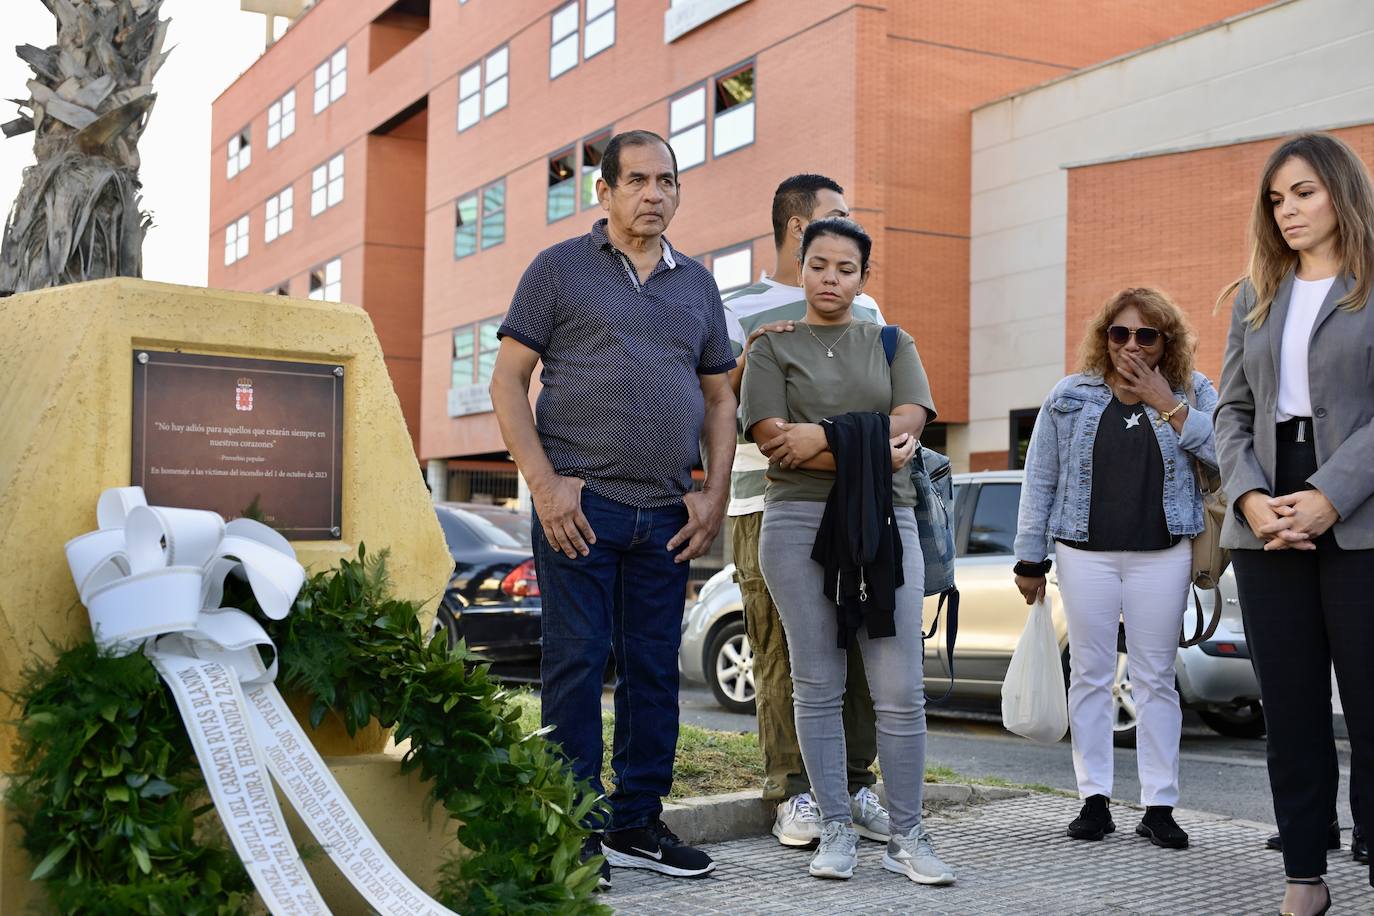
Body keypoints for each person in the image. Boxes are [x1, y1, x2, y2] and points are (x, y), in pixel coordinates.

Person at [489, 130, 737, 883]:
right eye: (636, 180)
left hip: (666, 512)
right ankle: (572, 830)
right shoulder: (558, 271)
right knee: (575, 665)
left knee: (655, 671)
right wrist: (545, 483)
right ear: (604, 191)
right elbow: (508, 382)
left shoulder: (696, 283)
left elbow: (720, 394)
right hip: (581, 509)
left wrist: (714, 493)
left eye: (666, 181)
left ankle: (637, 823)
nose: (653, 194)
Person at [742, 217, 955, 885]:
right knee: (818, 683)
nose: (831, 278)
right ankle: (834, 826)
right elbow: (775, 441)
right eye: (820, 265)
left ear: (864, 279)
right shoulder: (772, 348)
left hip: (886, 523)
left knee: (899, 688)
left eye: (846, 268)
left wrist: (821, 439)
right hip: (795, 523)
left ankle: (908, 835)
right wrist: (854, 441)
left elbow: (908, 430)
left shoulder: (891, 342)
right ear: (800, 269)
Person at [1214, 131, 1374, 916]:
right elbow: (1231, 410)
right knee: (1293, 710)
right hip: (1265, 518)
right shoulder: (1255, 294)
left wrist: (1330, 493)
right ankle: (1304, 877)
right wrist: (1249, 499)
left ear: (1341, 192)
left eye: (1304, 192)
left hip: (1359, 516)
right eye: (1277, 199)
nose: (1288, 211)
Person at [1013, 287, 1218, 850]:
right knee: (1091, 675)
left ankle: (1159, 805)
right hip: (1085, 552)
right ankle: (1094, 799)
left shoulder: (1193, 391)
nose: (1131, 344)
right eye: (1119, 333)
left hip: (1164, 553)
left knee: (1155, 679)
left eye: (1145, 334)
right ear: (1103, 337)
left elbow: (1226, 454)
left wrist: (1165, 402)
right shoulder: (1070, 396)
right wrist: (1030, 558)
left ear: (1165, 341)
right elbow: (1041, 480)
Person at [723, 174, 888, 848]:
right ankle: (793, 793)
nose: (850, 226)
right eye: (838, 216)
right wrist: (758, 358)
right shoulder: (736, 306)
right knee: (782, 652)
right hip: (763, 503)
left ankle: (854, 785)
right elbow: (715, 407)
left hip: (851, 501)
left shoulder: (868, 309)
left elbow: (878, 401)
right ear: (800, 230)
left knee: (859, 645)